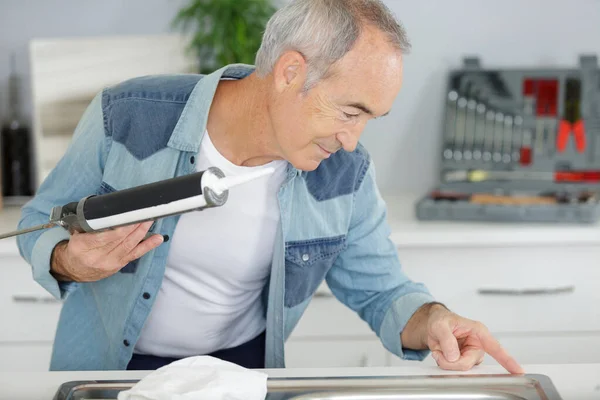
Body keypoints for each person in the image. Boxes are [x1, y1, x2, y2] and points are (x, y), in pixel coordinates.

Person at [17, 0, 523, 374]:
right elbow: (38, 221)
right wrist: (68, 260)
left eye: (370, 119)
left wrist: (434, 319)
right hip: (108, 373)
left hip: (240, 373)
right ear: (290, 72)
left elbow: (382, 289)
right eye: (350, 112)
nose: (351, 141)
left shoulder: (346, 175)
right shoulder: (126, 116)